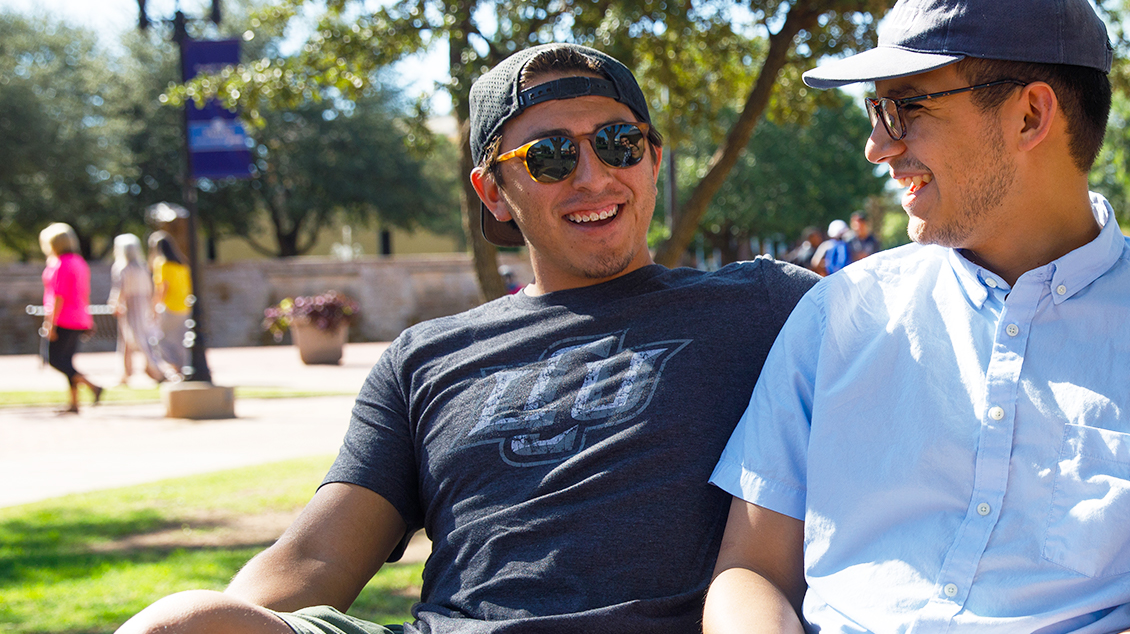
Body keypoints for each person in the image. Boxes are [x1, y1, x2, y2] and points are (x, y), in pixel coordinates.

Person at [119, 43, 817, 634]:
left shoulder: (763, 303)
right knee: (177, 623)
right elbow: (314, 561)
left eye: (618, 143)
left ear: (654, 161)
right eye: (549, 156)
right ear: (493, 192)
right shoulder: (424, 359)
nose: (594, 175)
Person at [706, 0, 1130, 633]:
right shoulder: (836, 317)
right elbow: (751, 573)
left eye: (903, 108)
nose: (876, 147)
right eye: (874, 109)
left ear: (1031, 115)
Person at [40, 223, 104, 413]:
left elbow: (58, 296)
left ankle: (93, 386)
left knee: (56, 360)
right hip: (79, 316)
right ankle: (74, 404)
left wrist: (49, 324)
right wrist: (89, 318)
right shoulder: (79, 262)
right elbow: (84, 293)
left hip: (64, 318)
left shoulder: (60, 263)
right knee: (67, 361)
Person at [108, 233, 164, 386]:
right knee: (127, 340)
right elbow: (149, 289)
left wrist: (115, 303)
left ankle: (157, 370)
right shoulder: (142, 267)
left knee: (140, 340)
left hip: (131, 306)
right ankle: (125, 373)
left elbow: (119, 289)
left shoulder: (121, 268)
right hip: (143, 304)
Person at [148, 232, 191, 381]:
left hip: (169, 306)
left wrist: (154, 307)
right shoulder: (182, 263)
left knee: (161, 340)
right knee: (180, 339)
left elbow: (162, 288)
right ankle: (182, 369)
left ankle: (175, 369)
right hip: (184, 307)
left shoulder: (162, 263)